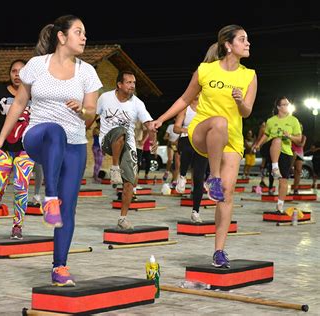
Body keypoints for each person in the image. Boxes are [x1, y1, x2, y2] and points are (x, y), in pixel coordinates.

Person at [0, 15, 102, 286]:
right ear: (62, 37)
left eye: (84, 32)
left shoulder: (88, 72)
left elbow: (91, 115)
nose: (84, 37)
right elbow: (18, 103)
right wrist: (2, 138)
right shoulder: (36, 65)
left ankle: (59, 267)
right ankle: (49, 197)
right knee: (55, 130)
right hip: (38, 137)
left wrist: (82, 110)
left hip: (74, 146)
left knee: (69, 209)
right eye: (78, 32)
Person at [151, 25, 257, 268]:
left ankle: (219, 251)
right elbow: (185, 99)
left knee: (227, 194)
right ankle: (214, 178)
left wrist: (240, 102)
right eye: (243, 39)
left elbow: (247, 111)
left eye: (247, 39)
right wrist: (162, 119)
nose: (248, 43)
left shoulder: (249, 75)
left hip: (232, 140)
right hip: (202, 132)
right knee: (219, 122)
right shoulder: (205, 70)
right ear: (228, 45)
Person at [0, 59, 35, 240]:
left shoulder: (35, 93)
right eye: (14, 71)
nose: (17, 74)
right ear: (9, 74)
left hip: (25, 149)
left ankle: (17, 225)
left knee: (21, 187)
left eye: (21, 71)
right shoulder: (0, 93)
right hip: (3, 149)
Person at [97, 70, 154, 230]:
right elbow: (93, 117)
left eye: (134, 83)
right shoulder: (105, 98)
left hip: (127, 144)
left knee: (130, 181)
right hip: (107, 140)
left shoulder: (137, 103)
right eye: (129, 82)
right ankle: (114, 167)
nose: (132, 86)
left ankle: (122, 218)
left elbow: (148, 121)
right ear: (119, 84)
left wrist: (152, 128)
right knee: (120, 130)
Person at [253, 97, 301, 213]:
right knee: (277, 140)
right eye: (284, 104)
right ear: (279, 107)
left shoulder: (294, 120)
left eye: (288, 104)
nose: (287, 106)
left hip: (286, 152)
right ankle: (274, 167)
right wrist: (258, 144)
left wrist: (289, 136)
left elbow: (299, 139)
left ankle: (280, 205)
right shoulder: (271, 120)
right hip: (271, 149)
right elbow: (266, 134)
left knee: (283, 180)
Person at [173, 95, 208, 223]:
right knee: (188, 148)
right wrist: (189, 130)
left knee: (199, 177)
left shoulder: (207, 107)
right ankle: (182, 176)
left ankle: (195, 211)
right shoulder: (185, 108)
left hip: (201, 143)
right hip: (186, 139)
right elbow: (176, 128)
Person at [291, 124, 306, 194]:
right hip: (292, 153)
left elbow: (301, 145)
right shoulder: (291, 135)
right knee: (292, 171)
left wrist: (295, 141)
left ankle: (295, 188)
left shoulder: (303, 137)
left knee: (298, 171)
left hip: (299, 154)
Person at [91, 117, 104, 183]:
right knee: (98, 163)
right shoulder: (96, 129)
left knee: (99, 163)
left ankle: (95, 175)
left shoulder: (100, 129)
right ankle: (96, 176)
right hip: (97, 147)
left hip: (99, 147)